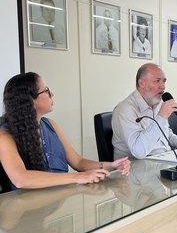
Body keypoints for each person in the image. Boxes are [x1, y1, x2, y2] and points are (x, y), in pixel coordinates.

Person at [0, 72, 130, 190]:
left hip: (58, 198)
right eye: (46, 90)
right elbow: (21, 179)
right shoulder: (4, 136)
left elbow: (78, 162)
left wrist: (110, 166)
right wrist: (78, 177)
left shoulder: (50, 125)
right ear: (30, 100)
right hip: (25, 208)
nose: (52, 94)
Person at [112, 63, 177, 160]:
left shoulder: (156, 103)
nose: (163, 86)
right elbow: (139, 151)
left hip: (164, 159)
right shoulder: (125, 110)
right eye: (157, 81)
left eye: (164, 81)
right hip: (136, 167)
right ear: (141, 83)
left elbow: (166, 133)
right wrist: (161, 116)